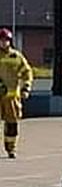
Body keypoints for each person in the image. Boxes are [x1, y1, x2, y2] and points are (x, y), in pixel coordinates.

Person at [0, 28, 33, 158]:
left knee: (12, 124)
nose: (3, 43)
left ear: (10, 41)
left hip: (12, 98)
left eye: (6, 40)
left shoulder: (16, 56)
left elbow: (27, 72)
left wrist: (26, 88)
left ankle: (11, 148)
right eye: (1, 40)